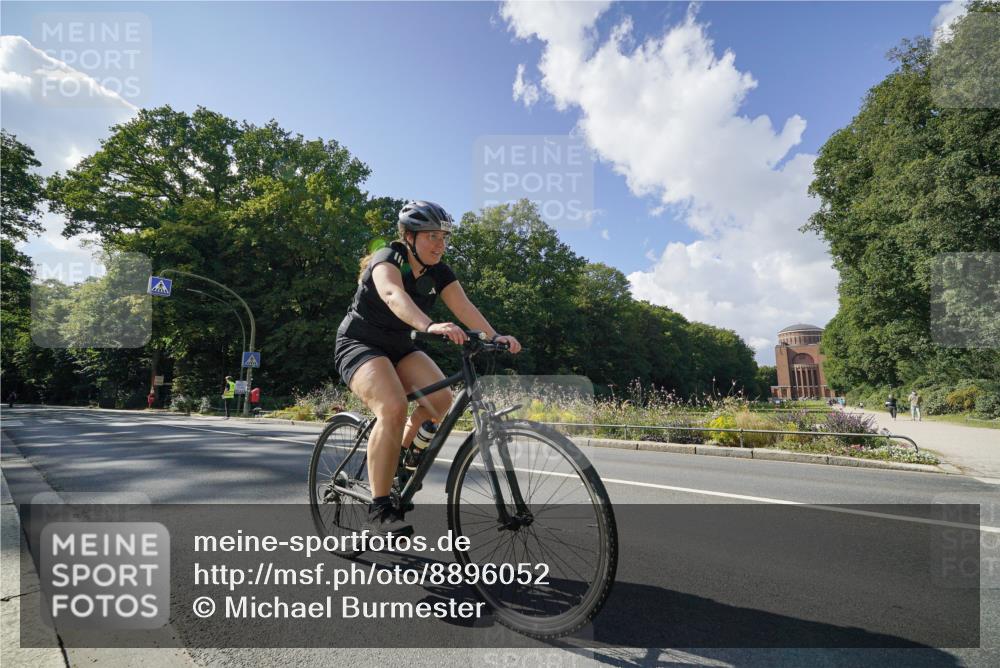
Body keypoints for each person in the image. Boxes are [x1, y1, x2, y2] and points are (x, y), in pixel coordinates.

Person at [335, 200, 522, 536]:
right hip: (360, 344)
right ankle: (378, 511)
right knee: (392, 407)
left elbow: (463, 306)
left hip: (401, 347)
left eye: (444, 237)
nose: (440, 244)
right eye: (432, 236)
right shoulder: (387, 259)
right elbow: (393, 294)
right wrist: (429, 325)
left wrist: (495, 336)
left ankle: (399, 463)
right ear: (409, 236)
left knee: (440, 402)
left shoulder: (440, 272)